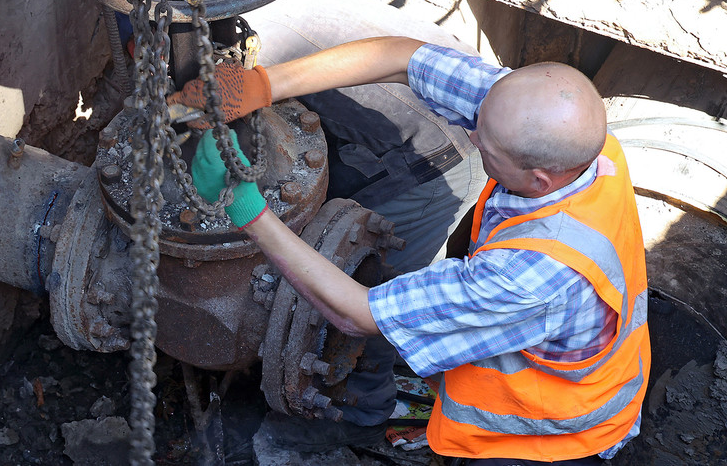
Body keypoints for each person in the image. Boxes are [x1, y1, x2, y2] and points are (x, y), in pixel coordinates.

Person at [177, 33, 650, 465]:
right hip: (576, 349)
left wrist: (245, 208)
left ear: (539, 179)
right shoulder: (566, 132)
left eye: (484, 144)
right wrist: (262, 85)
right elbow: (402, 58)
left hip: (547, 433)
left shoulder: (530, 277)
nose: (469, 135)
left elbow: (358, 315)